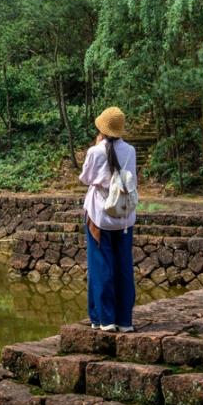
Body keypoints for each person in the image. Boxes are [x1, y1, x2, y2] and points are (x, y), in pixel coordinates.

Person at [78, 106, 137, 333]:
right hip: (123, 217)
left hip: (99, 216)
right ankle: (124, 320)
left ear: (102, 128)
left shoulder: (96, 151)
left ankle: (104, 318)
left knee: (100, 266)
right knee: (123, 266)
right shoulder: (130, 150)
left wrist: (95, 146)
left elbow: (86, 178)